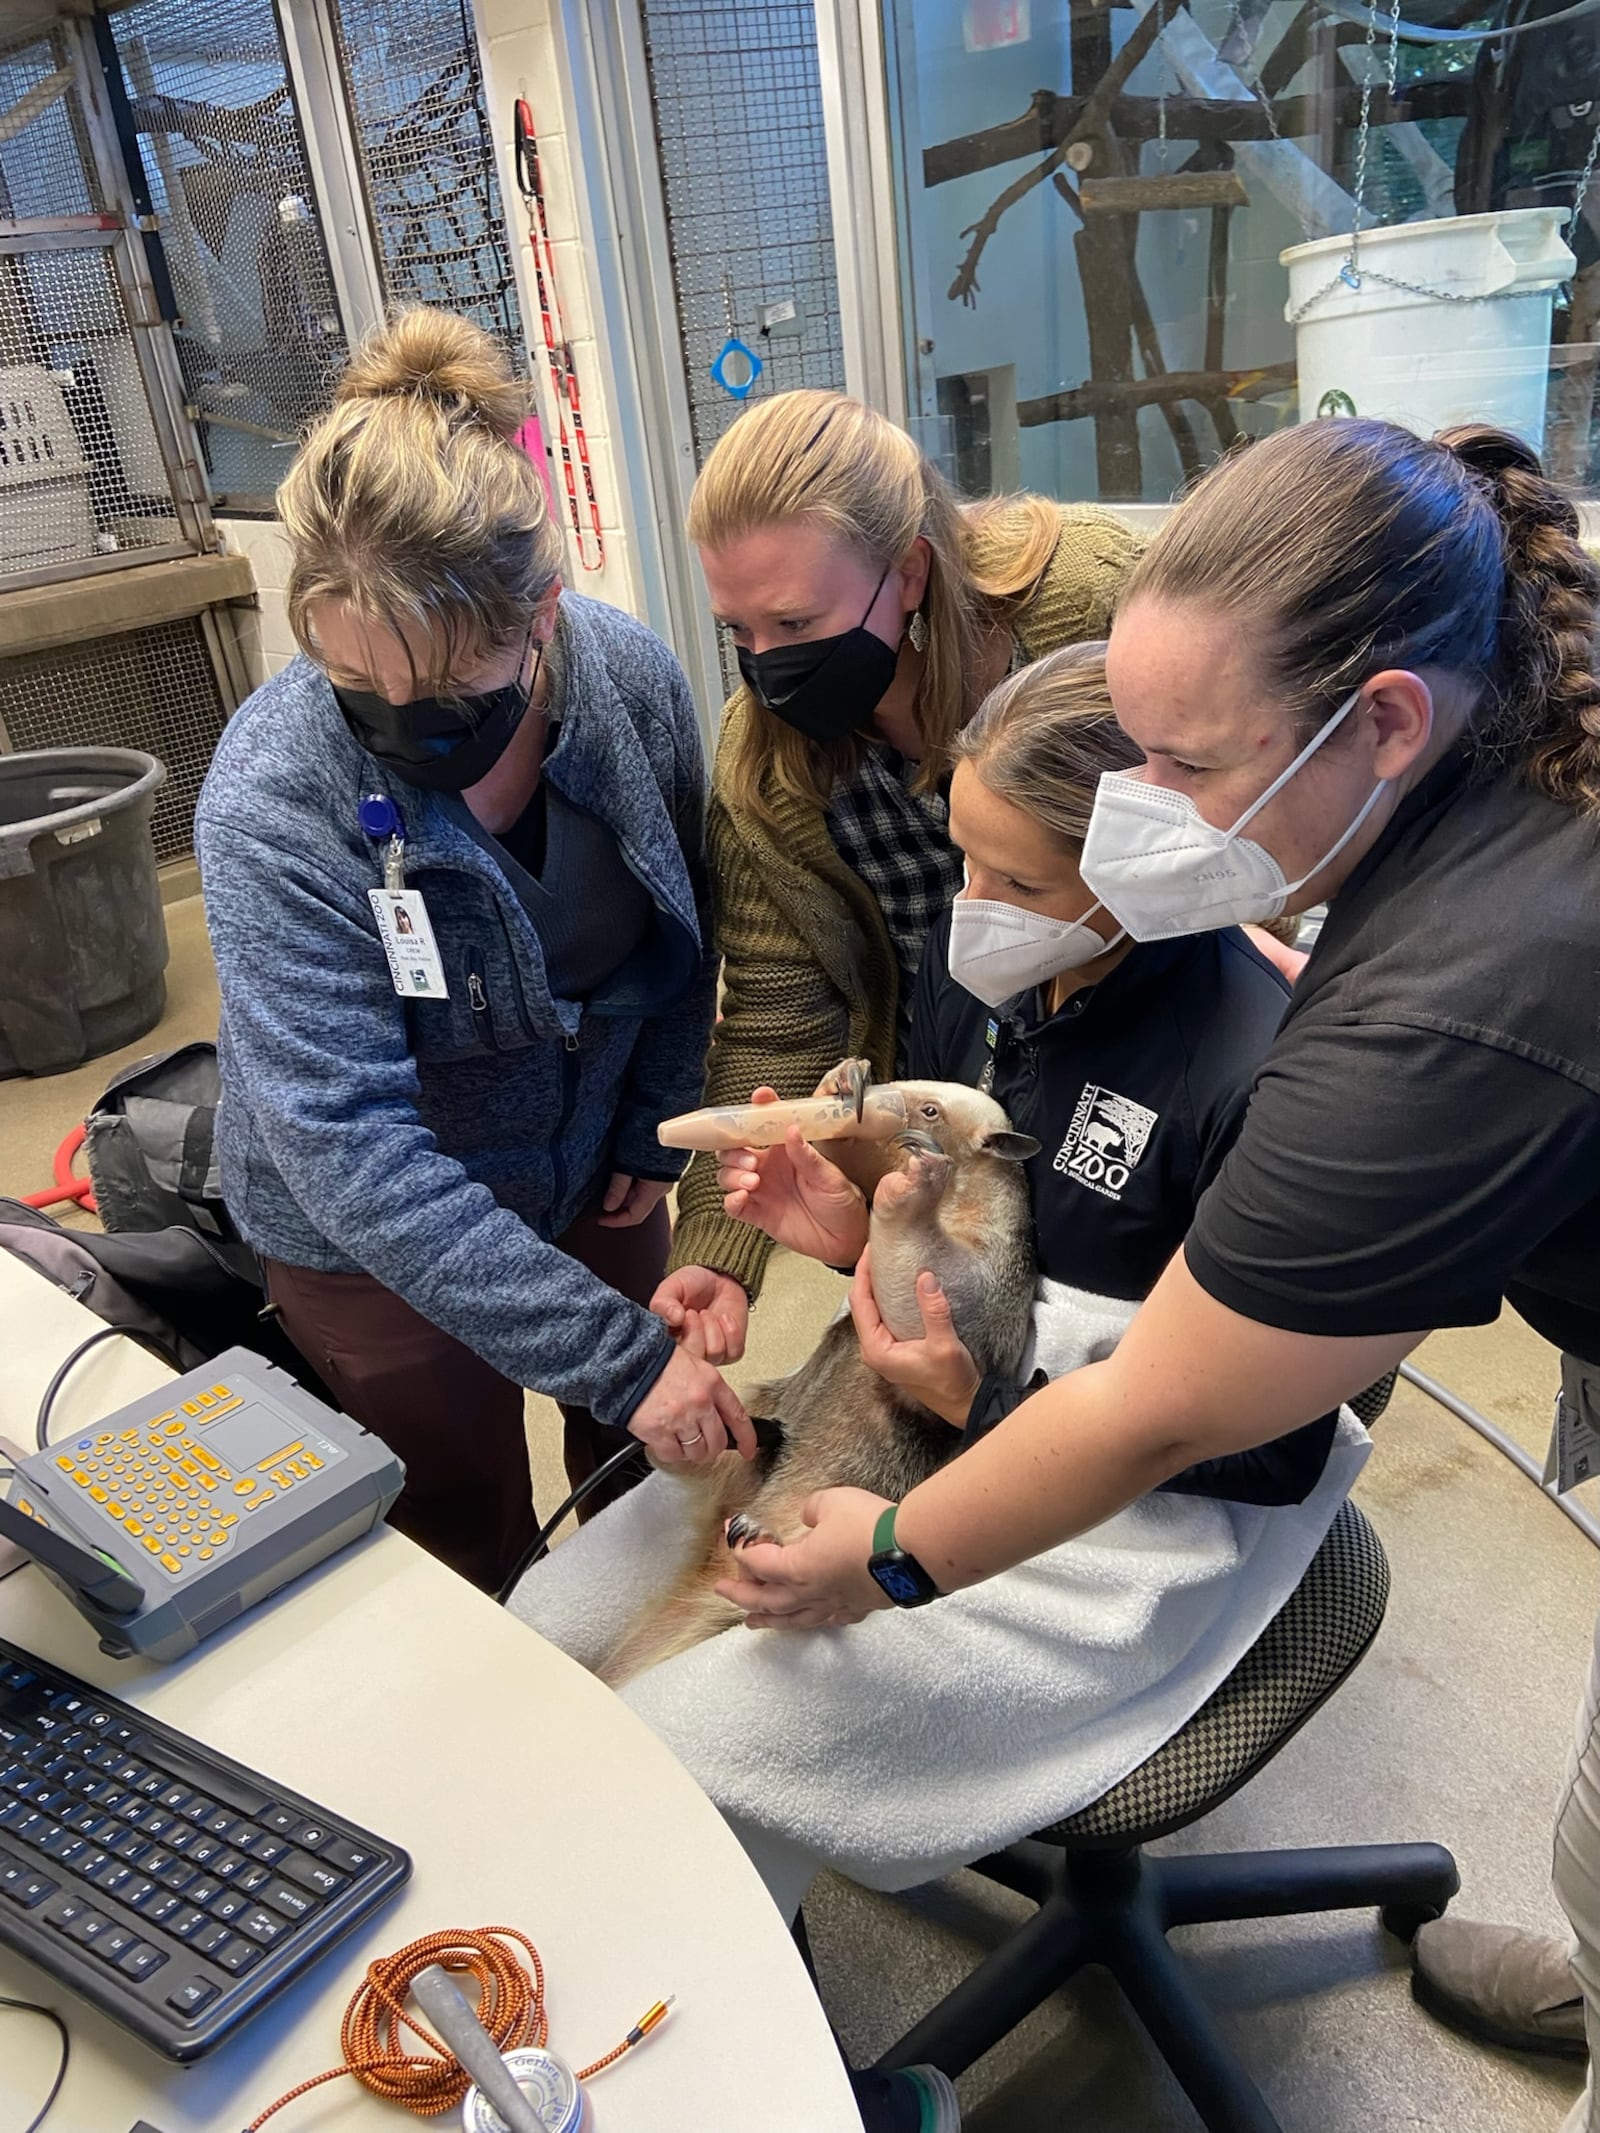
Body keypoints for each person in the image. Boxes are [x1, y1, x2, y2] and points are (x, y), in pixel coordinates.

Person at [706, 416, 1600, 2128]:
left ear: (1388, 722)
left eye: (1182, 766)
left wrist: (892, 1552)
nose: (1139, 822)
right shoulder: (1503, 713)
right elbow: (1024, 1207)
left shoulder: (1419, 1029)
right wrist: (884, 1215)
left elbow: (1182, 1411)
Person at [512, 643, 1368, 2132]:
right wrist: (861, 1236)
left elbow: (1271, 1448)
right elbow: (985, 1247)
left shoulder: (1274, 1077)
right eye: (965, 857)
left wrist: (981, 1412)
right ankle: (682, 2028)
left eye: (1021, 883)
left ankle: (782, 2096)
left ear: (1152, 869)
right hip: (935, 1407)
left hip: (1139, 1503)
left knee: (687, 1750)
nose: (975, 912)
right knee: (550, 1639)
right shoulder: (1005, 992)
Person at [195, 309, 754, 1597]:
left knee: (641, 1483)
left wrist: (652, 1124)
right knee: (459, 1532)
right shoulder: (271, 801)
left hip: (594, 1176)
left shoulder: (630, 681)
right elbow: (347, 1142)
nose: (401, 722)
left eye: (445, 689)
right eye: (353, 683)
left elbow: (689, 928)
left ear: (542, 616)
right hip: (373, 1237)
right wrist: (613, 1353)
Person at [656, 389, 1140, 1367]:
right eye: (737, 632)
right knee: (977, 1365)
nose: (768, 664)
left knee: (1155, 1368)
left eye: (795, 618)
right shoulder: (768, 759)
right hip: (946, 1098)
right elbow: (776, 1015)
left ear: (908, 571)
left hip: (1145, 1062)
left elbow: (1244, 827)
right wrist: (718, 1243)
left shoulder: (1097, 606)